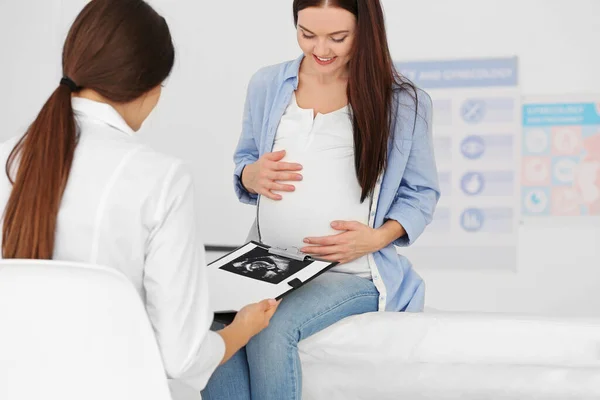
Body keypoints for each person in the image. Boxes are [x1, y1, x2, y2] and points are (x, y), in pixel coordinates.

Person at [0, 0, 278, 393]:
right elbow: (182, 360)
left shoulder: (7, 158)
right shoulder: (161, 178)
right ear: (150, 87)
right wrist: (243, 329)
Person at [202, 0, 440, 399]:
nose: (321, 49)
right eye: (307, 34)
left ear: (365, 30)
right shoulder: (267, 84)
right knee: (213, 322)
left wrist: (376, 238)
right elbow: (245, 160)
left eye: (338, 37)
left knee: (272, 326)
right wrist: (251, 173)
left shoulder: (403, 102)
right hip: (267, 261)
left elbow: (421, 193)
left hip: (350, 272)